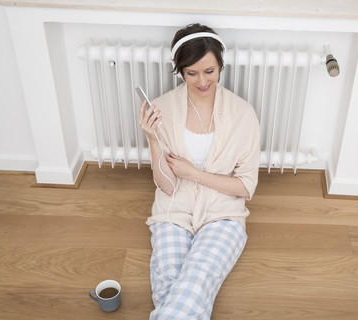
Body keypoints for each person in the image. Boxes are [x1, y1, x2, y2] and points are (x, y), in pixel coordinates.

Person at [139, 23, 260, 319]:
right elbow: (167, 187)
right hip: (173, 213)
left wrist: (193, 174)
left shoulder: (243, 114)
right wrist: (153, 138)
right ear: (178, 69)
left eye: (210, 71)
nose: (202, 81)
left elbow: (245, 188)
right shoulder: (161, 110)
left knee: (196, 279)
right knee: (169, 285)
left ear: (221, 65)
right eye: (191, 73)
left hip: (222, 215)